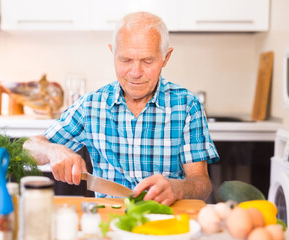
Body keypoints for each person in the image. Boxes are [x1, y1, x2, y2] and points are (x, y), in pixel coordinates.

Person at [23, 11, 219, 206]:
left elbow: (201, 184)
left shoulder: (187, 106)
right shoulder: (91, 105)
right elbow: (28, 147)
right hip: (109, 222)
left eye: (147, 61)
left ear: (165, 58)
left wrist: (178, 188)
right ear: (113, 53)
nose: (135, 73)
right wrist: (53, 151)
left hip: (166, 221)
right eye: (125, 60)